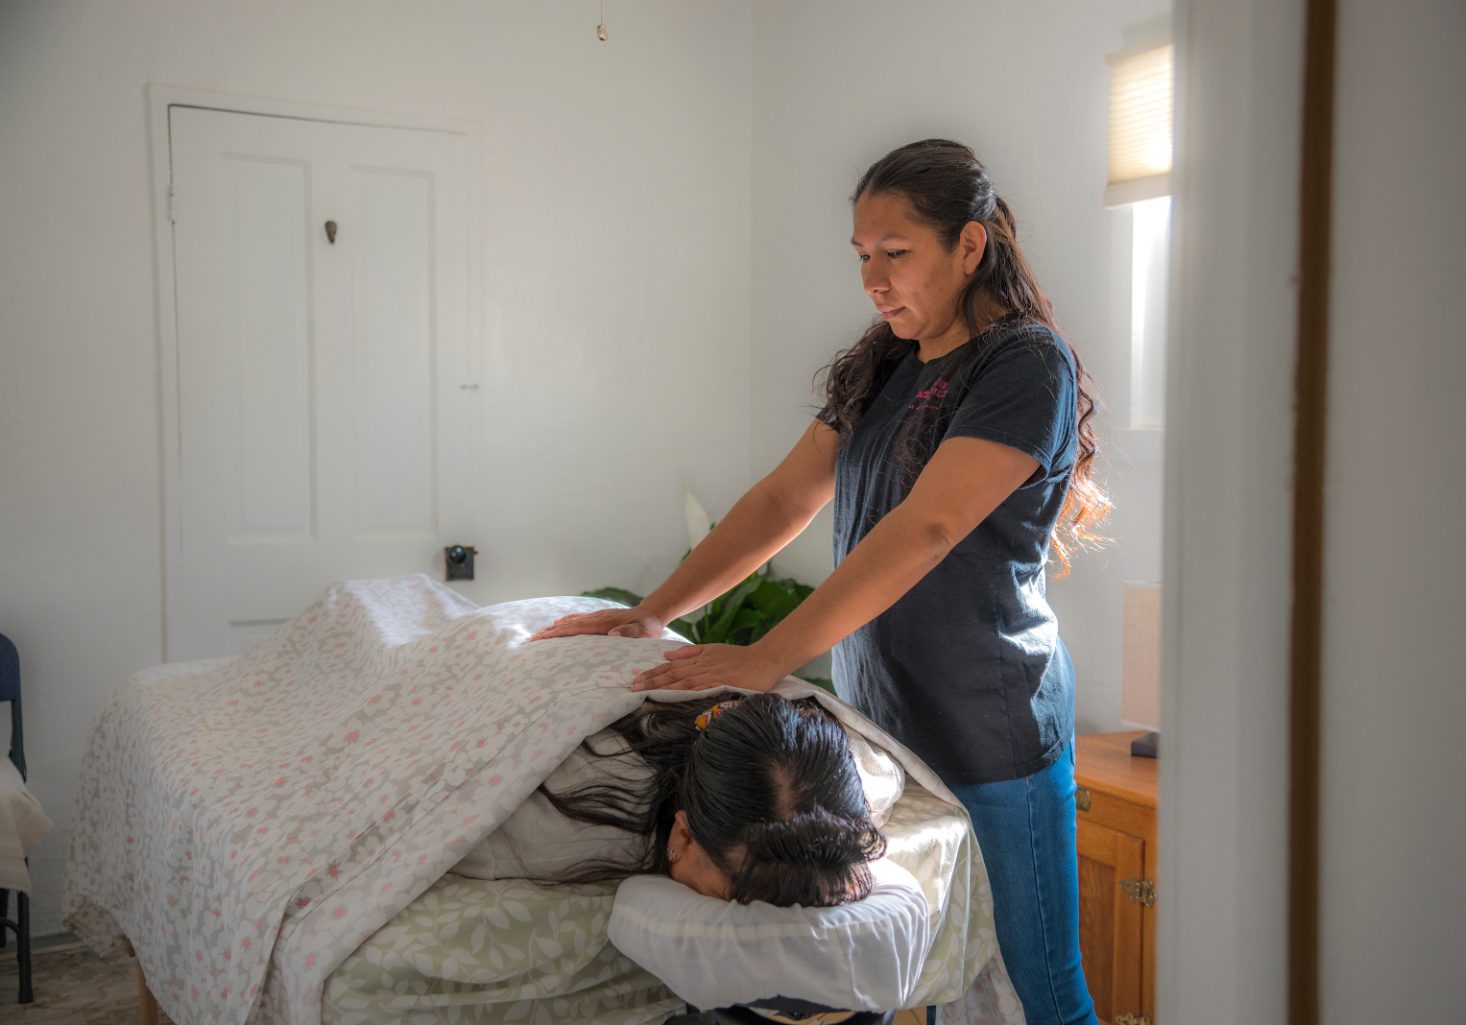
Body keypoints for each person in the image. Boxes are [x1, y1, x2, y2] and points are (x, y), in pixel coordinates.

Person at [531, 139, 1109, 1023]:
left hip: (993, 728)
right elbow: (781, 500)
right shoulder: (882, 362)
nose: (874, 279)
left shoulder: (1025, 364)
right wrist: (648, 615)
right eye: (862, 256)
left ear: (969, 246)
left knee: (1037, 985)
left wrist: (769, 657)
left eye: (897, 252)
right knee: (946, 980)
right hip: (886, 728)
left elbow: (931, 525)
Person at [451, 691, 891, 908]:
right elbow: (438, 833)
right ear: (681, 833)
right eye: (735, 899)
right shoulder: (564, 814)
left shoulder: (864, 778)